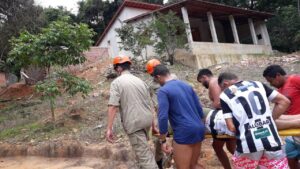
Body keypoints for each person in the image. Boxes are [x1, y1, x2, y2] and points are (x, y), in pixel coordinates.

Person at [218, 72, 290, 169]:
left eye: (222, 88)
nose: (223, 90)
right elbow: (284, 102)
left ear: (225, 84)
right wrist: (269, 120)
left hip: (247, 146)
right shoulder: (258, 84)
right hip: (272, 141)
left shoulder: (225, 95)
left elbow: (231, 127)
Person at [106, 56, 158, 169]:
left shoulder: (117, 83)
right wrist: (153, 125)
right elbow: (149, 104)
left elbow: (113, 106)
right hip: (147, 121)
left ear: (119, 68)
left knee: (145, 158)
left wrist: (109, 128)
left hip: (135, 123)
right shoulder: (141, 81)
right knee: (143, 151)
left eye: (116, 69)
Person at [153, 64, 205, 169]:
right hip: (199, 128)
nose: (158, 83)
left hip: (184, 131)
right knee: (193, 165)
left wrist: (163, 140)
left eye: (157, 80)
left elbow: (162, 116)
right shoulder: (187, 86)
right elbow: (200, 110)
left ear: (158, 77)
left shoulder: (163, 91)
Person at [197, 69, 236, 169]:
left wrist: (212, 108)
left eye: (201, 81)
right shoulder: (216, 81)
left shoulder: (213, 82)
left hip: (222, 119)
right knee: (231, 147)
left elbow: (218, 102)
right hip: (227, 117)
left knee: (218, 147)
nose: (202, 84)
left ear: (204, 77)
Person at [263, 65, 300, 169]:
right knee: (290, 158)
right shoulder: (279, 92)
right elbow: (277, 111)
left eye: (271, 81)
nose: (270, 84)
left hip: (295, 126)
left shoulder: (294, 80)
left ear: (278, 75)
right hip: (292, 131)